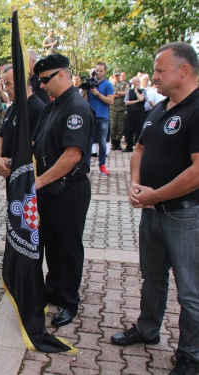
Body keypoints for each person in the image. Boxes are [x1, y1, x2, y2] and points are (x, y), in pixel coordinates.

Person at [110, 42, 199, 375]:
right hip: (153, 211)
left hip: (185, 215)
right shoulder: (161, 108)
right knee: (152, 278)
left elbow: (197, 171)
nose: (155, 76)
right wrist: (136, 185)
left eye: (160, 70)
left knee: (190, 291)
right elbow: (139, 149)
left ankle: (190, 354)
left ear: (184, 70)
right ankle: (148, 328)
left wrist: (156, 194)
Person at [31, 53, 95, 327]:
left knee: (68, 247)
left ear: (61, 75)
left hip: (68, 189)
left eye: (45, 80)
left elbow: (72, 156)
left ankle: (69, 300)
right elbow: (38, 141)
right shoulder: (52, 106)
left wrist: (39, 182)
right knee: (52, 245)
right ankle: (54, 288)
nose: (42, 86)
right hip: (49, 189)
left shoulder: (76, 108)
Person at [0, 65, 45, 184]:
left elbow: (34, 144)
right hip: (11, 176)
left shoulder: (38, 109)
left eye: (9, 84)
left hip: (27, 180)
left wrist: (10, 162)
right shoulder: (12, 108)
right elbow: (1, 137)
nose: (5, 89)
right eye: (3, 85)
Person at [83, 62, 114, 175]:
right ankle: (86, 166)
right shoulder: (91, 83)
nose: (99, 73)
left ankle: (102, 165)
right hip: (91, 117)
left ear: (105, 71)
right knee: (88, 142)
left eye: (101, 71)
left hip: (103, 117)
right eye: (97, 71)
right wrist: (86, 92)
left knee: (102, 142)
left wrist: (97, 93)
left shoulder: (108, 85)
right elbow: (85, 101)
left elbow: (110, 101)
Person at [121, 76, 146, 153]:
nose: (136, 83)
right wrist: (137, 101)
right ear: (132, 83)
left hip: (140, 113)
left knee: (139, 130)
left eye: (137, 82)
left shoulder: (143, 91)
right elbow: (126, 102)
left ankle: (139, 147)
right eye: (135, 82)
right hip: (130, 113)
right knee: (129, 129)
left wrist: (136, 91)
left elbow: (141, 99)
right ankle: (129, 146)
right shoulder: (129, 91)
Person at [110, 68, 129, 151]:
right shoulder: (110, 84)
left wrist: (116, 93)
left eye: (118, 75)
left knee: (120, 126)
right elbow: (110, 95)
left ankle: (118, 143)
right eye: (115, 75)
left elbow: (126, 93)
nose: (117, 76)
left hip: (121, 108)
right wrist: (120, 94)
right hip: (112, 108)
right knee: (113, 126)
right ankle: (113, 142)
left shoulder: (125, 84)